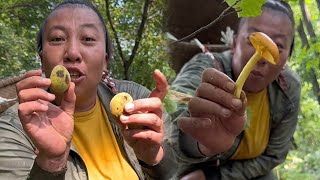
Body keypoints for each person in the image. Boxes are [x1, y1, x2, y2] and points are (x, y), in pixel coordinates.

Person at [0, 0, 177, 179]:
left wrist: (153, 158)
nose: (73, 53)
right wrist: (50, 163)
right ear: (42, 60)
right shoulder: (13, 127)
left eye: (88, 39)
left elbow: (175, 171)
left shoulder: (135, 101)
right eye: (57, 39)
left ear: (105, 62)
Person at [169, 0, 301, 179]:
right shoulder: (207, 68)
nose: (262, 58)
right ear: (234, 42)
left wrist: (216, 176)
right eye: (252, 40)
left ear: (286, 59)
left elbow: (274, 156)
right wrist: (198, 142)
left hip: (250, 170)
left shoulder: (288, 88)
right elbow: (171, 120)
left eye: (278, 47)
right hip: (197, 166)